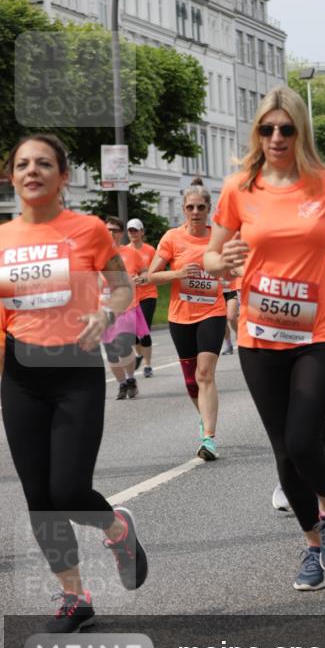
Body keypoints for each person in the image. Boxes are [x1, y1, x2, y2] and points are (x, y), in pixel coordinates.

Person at [0, 134, 148, 631]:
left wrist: (103, 312)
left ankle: (117, 528)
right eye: (23, 164)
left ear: (63, 176)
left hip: (74, 372)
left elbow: (123, 288)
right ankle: (74, 597)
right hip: (21, 374)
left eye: (44, 164)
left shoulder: (91, 230)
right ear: (12, 176)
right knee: (39, 496)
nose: (32, 171)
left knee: (70, 489)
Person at [204, 86, 325, 592]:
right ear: (257, 134)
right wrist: (219, 262)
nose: (275, 137)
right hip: (258, 334)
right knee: (285, 453)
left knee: (302, 437)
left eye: (286, 129)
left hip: (316, 331)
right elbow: (210, 255)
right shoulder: (238, 188)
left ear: (300, 132)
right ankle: (313, 545)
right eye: (266, 129)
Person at [148, 179, 226, 461]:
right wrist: (177, 274)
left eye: (200, 207)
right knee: (192, 382)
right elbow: (151, 275)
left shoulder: (219, 237)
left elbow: (232, 271)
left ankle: (209, 437)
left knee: (205, 374)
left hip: (212, 312)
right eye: (190, 207)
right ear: (183, 209)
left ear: (209, 209)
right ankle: (204, 418)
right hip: (181, 316)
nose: (195, 212)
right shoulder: (172, 238)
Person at [102, 216, 147, 400]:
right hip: (104, 308)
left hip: (127, 307)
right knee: (111, 352)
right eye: (108, 230)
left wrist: (141, 278)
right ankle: (122, 384)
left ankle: (130, 378)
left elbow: (144, 272)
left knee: (123, 345)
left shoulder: (131, 253)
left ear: (121, 233)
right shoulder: (95, 254)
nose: (111, 233)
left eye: (115, 230)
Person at [127, 219, 157, 377]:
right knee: (131, 333)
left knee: (144, 331)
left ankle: (148, 365)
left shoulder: (150, 250)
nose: (133, 233)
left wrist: (144, 278)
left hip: (148, 294)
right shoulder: (124, 251)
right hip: (130, 297)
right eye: (130, 231)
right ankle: (139, 354)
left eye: (136, 230)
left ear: (142, 232)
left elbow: (155, 271)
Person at [221, 270, 241, 355]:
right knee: (222, 320)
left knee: (231, 316)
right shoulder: (211, 256)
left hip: (231, 288)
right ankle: (228, 345)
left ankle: (239, 337)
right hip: (217, 290)